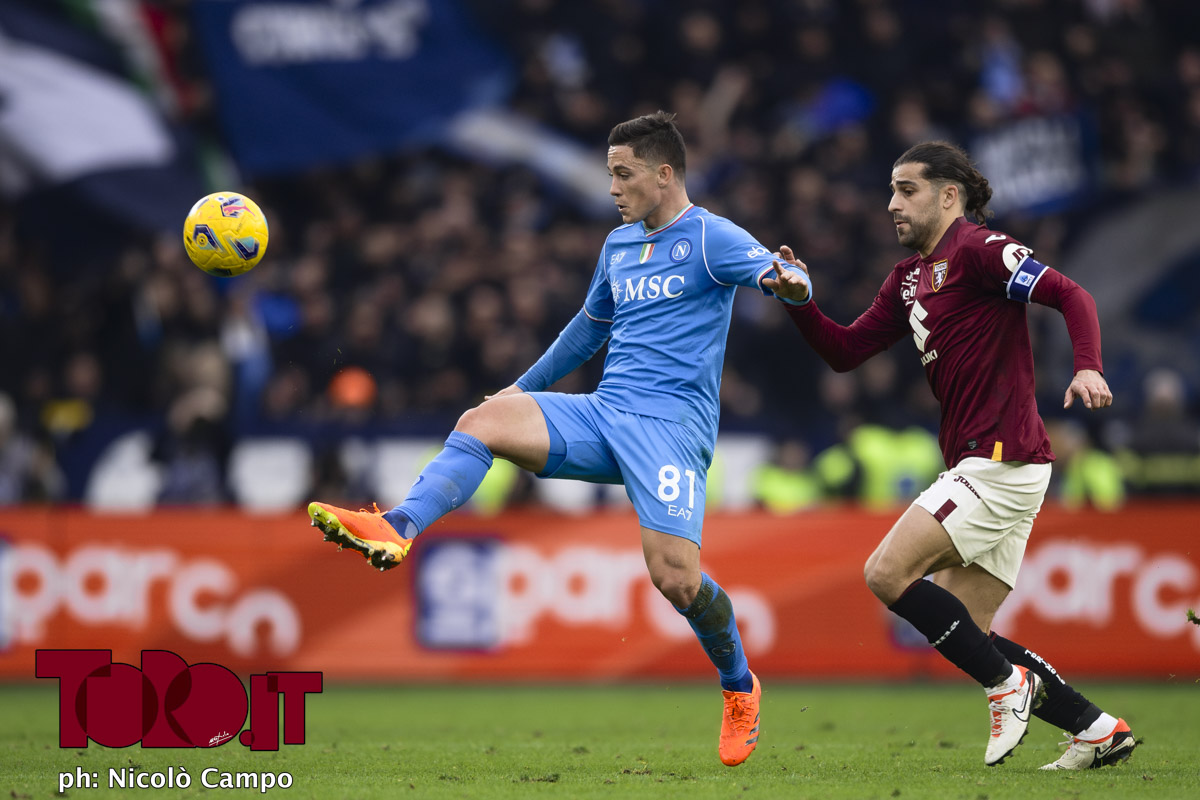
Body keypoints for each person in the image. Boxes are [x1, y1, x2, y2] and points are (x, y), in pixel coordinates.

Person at [307, 111, 811, 767]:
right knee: (480, 421)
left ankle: (740, 686)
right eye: (610, 174)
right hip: (604, 413)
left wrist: (790, 284)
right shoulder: (618, 246)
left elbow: (783, 277)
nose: (612, 188)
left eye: (623, 174)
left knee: (677, 581)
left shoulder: (711, 237)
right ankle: (397, 526)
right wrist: (517, 391)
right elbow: (587, 331)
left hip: (670, 432)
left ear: (664, 174)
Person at [764, 141, 1135, 770]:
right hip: (994, 464)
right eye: (891, 189)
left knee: (885, 573)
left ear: (949, 195)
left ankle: (1007, 687)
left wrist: (1088, 367)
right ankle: (1097, 730)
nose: (892, 203)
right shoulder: (907, 280)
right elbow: (846, 352)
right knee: (970, 634)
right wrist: (800, 302)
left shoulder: (982, 250)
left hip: (1000, 458)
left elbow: (1072, 295)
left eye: (907, 190)